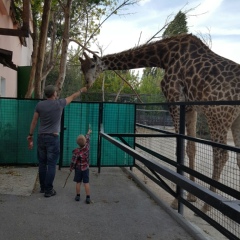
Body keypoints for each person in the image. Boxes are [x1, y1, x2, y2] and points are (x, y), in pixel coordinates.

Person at [27, 85, 87, 198]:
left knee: (42, 164)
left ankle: (43, 187)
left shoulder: (39, 105)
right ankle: (49, 190)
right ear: (54, 94)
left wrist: (30, 135)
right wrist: (81, 90)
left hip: (41, 137)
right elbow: (73, 96)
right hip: (53, 139)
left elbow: (34, 121)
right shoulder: (59, 104)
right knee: (51, 164)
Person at [70, 128, 92, 204]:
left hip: (78, 169)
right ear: (85, 142)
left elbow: (73, 161)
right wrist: (88, 133)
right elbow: (88, 140)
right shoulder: (87, 148)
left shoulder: (76, 152)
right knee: (86, 183)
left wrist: (71, 168)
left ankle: (78, 195)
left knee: (78, 182)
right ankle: (88, 197)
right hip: (85, 168)